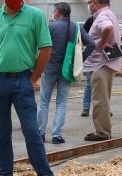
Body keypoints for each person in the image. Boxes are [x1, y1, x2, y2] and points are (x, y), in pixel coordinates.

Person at [0, 0, 54, 176]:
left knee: (31, 130)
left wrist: (34, 77)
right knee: (2, 132)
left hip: (23, 79)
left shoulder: (35, 16)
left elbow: (46, 48)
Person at [38, 2, 92, 145]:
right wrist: (79, 61)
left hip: (49, 68)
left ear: (57, 13)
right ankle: (56, 135)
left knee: (44, 102)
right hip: (67, 69)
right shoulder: (76, 27)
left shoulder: (50, 26)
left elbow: (39, 46)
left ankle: (40, 134)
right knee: (61, 102)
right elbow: (92, 44)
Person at [83, 0, 120, 141]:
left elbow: (107, 28)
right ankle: (103, 129)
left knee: (99, 99)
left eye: (90, 2)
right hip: (106, 62)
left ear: (96, 3)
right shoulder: (109, 13)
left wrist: (103, 43)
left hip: (100, 63)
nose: (89, 5)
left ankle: (102, 132)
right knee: (103, 98)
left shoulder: (103, 16)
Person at [80, 14, 93, 117]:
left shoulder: (106, 19)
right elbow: (82, 36)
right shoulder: (90, 20)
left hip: (102, 59)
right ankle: (86, 108)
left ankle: (103, 108)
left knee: (102, 85)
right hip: (91, 57)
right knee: (89, 84)